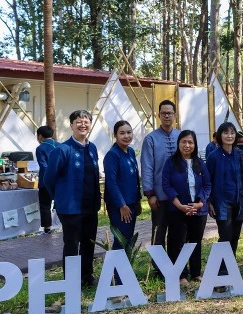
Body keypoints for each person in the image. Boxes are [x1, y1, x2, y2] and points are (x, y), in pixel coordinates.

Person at [43, 110, 100, 287]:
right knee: (72, 244)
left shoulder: (92, 148)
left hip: (90, 206)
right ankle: (71, 281)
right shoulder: (62, 150)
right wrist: (60, 199)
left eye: (86, 121)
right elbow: (48, 179)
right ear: (71, 125)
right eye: (78, 122)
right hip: (70, 208)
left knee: (89, 243)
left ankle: (87, 276)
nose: (83, 125)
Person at [161, 130, 210, 285]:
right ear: (179, 143)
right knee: (177, 242)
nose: (187, 145)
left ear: (195, 145)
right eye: (184, 142)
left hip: (198, 210)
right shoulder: (171, 162)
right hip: (177, 210)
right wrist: (180, 206)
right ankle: (181, 275)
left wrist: (201, 202)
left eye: (190, 142)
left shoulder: (200, 163)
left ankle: (196, 273)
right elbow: (166, 185)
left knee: (195, 241)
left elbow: (208, 185)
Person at [206, 121, 243, 276]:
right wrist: (209, 201)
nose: (229, 136)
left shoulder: (239, 154)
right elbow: (207, 181)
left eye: (232, 133)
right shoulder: (213, 156)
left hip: (239, 200)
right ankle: (220, 268)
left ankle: (230, 265)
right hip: (221, 202)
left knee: (235, 235)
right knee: (225, 235)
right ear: (220, 135)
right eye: (226, 133)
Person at [141, 100, 181, 263]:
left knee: (177, 232)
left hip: (179, 196)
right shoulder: (150, 139)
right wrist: (150, 194)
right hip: (160, 196)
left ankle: (175, 265)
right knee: (158, 231)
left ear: (174, 115)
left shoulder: (181, 136)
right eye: (163, 113)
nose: (166, 116)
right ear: (158, 115)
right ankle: (159, 268)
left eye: (169, 113)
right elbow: (147, 167)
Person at [103, 120, 141, 251]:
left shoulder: (130, 151)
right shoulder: (112, 155)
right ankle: (117, 271)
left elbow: (135, 178)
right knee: (121, 240)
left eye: (129, 132)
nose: (126, 136)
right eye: (122, 133)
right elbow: (111, 182)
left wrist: (138, 200)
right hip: (119, 207)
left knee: (128, 240)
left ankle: (125, 271)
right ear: (115, 135)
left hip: (132, 203)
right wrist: (122, 205)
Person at [35, 126, 58, 234]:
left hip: (46, 180)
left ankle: (47, 228)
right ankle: (61, 224)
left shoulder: (40, 148)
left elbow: (43, 165)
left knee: (45, 205)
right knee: (60, 202)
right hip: (60, 179)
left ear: (40, 136)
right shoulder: (60, 145)